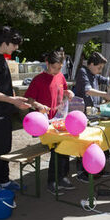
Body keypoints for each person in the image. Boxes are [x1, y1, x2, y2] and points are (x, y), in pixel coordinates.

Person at [0, 26, 31, 195]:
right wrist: (12, 100)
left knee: (5, 148)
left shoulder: (1, 58)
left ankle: (3, 180)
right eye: (14, 45)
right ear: (5, 42)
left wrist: (14, 97)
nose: (16, 48)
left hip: (4, 112)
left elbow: (1, 85)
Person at [24, 50, 75, 195]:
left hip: (58, 119)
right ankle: (52, 181)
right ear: (47, 64)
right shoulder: (38, 79)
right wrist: (39, 106)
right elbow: (29, 99)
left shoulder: (60, 76)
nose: (58, 71)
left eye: (60, 68)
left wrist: (69, 93)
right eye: (55, 68)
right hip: (45, 123)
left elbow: (64, 90)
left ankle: (63, 177)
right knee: (57, 149)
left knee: (65, 145)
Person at [73, 52, 110, 182]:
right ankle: (82, 172)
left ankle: (98, 168)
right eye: (99, 67)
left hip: (93, 112)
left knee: (96, 141)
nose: (100, 70)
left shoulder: (94, 74)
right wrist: (105, 95)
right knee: (84, 142)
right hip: (82, 113)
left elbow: (105, 80)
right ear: (90, 64)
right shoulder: (82, 72)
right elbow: (87, 90)